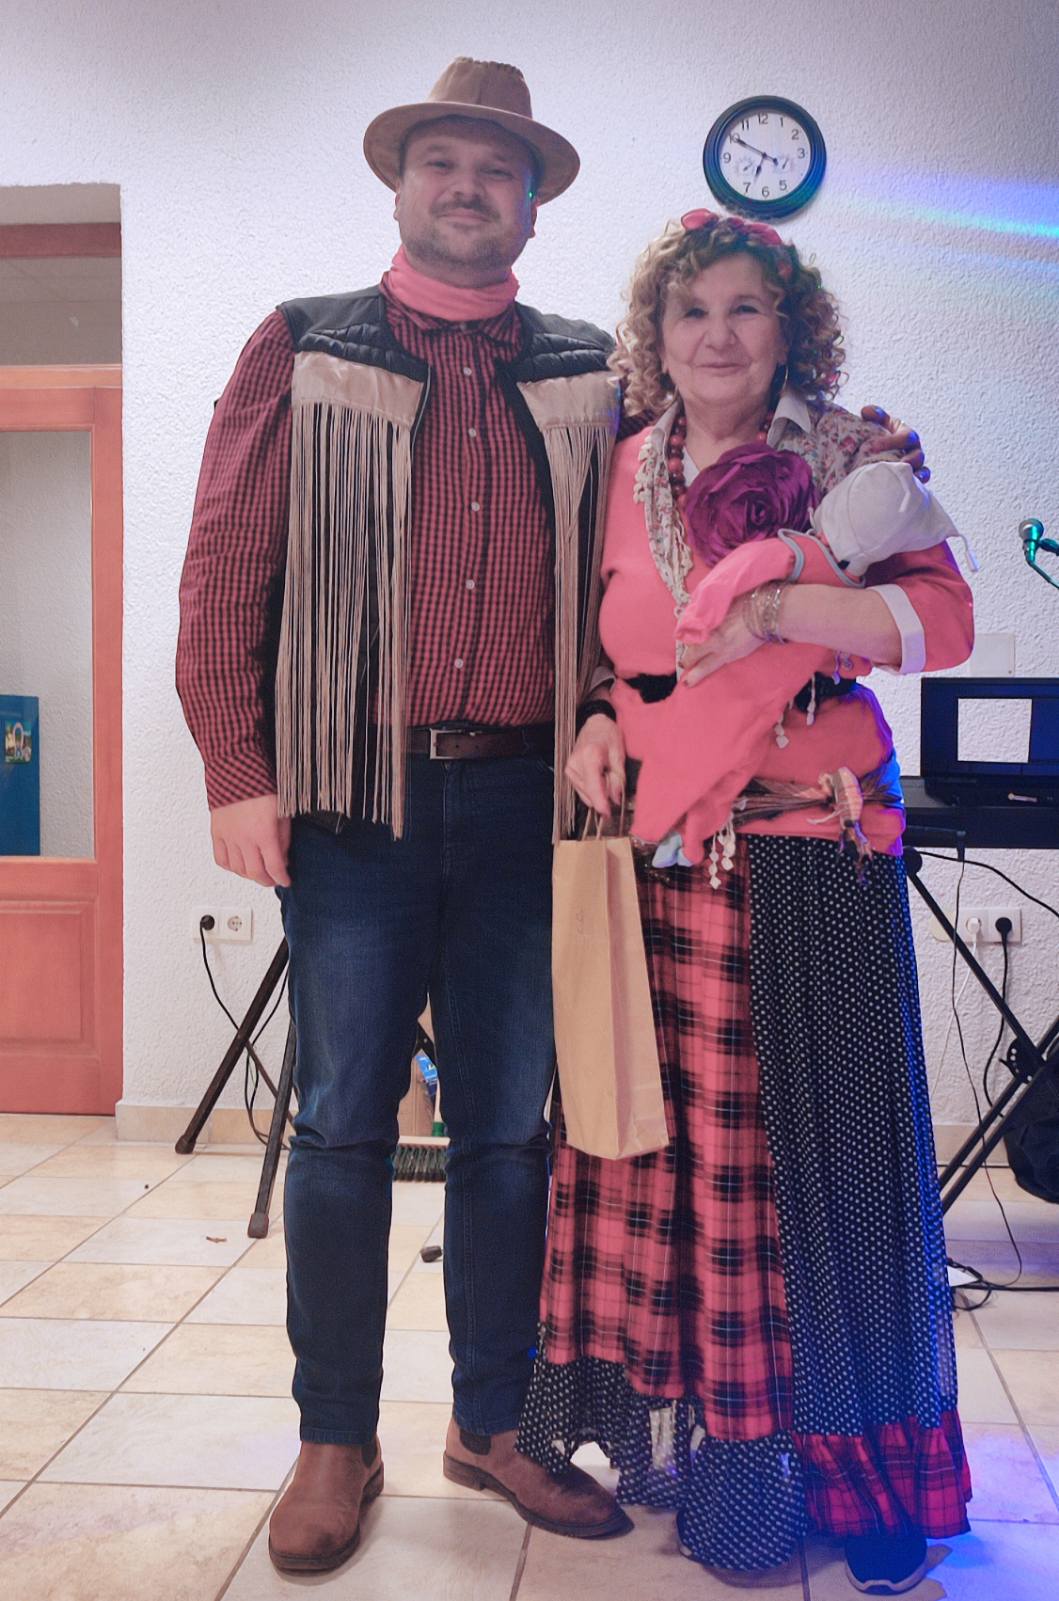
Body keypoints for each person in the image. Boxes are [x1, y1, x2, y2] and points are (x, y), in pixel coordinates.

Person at [176, 58, 925, 1575]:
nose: (468, 188)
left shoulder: (595, 372)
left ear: (532, 204)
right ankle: (336, 1437)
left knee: (519, 1130)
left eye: (497, 171)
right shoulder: (300, 346)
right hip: (350, 797)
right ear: (402, 183)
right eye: (443, 162)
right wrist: (234, 769)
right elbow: (224, 568)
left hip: (538, 806)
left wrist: (607, 704)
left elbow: (636, 580)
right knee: (340, 1125)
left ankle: (493, 1420)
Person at [516, 211, 974, 1598]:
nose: (716, 335)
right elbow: (606, 644)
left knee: (821, 1176)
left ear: (791, 329)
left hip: (809, 861)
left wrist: (778, 608)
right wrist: (598, 715)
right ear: (655, 338)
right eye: (690, 312)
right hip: (659, 867)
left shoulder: (854, 462)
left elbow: (940, 626)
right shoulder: (622, 468)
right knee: (668, 1169)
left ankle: (859, 1473)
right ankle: (705, 1457)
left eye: (745, 309)